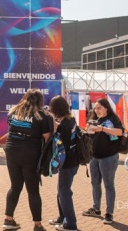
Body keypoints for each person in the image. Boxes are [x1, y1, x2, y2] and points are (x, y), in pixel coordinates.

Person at [3, 89, 52, 231]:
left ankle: (8, 219)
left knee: (15, 186)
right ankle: (37, 225)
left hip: (11, 150)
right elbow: (47, 137)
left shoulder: (13, 111)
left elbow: (11, 127)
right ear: (40, 101)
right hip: (30, 152)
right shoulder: (41, 115)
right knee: (33, 190)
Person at [82, 98, 123, 225]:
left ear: (106, 108)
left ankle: (109, 213)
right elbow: (88, 136)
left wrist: (103, 129)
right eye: (95, 108)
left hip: (109, 157)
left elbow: (120, 132)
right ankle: (96, 208)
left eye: (99, 108)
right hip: (94, 157)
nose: (96, 110)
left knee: (109, 185)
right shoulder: (95, 119)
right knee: (95, 183)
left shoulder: (113, 118)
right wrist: (87, 129)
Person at [48, 96, 80, 231]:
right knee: (61, 190)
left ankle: (70, 223)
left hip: (68, 162)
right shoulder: (71, 120)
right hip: (72, 161)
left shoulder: (64, 125)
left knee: (64, 192)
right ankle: (62, 217)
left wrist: (55, 130)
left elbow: (61, 144)